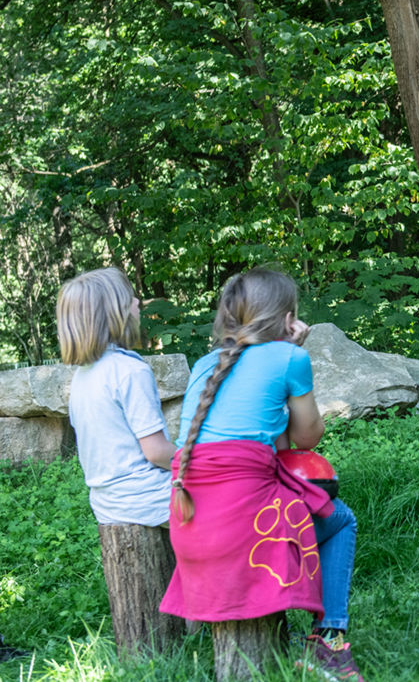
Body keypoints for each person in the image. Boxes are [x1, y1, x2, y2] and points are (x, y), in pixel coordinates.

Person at [159, 268, 364, 682]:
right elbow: (307, 438)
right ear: (288, 319)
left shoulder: (205, 365)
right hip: (245, 535)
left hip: (192, 529)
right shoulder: (290, 358)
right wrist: (292, 353)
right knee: (341, 519)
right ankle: (327, 643)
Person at [57, 268, 174, 530]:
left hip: (107, 504)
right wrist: (195, 462)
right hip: (151, 501)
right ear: (115, 313)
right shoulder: (130, 370)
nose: (137, 302)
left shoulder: (82, 376)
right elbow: (156, 452)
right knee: (235, 494)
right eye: (129, 298)